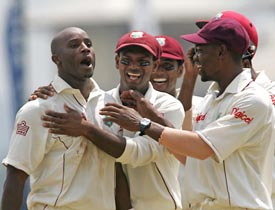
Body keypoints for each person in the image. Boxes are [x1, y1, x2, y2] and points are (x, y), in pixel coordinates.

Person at [99, 18, 275, 210]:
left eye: (200, 50)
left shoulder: (252, 99)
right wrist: (155, 119)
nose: (196, 58)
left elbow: (201, 147)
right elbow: (187, 155)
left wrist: (143, 124)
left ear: (221, 52)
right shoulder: (211, 99)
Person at [36, 30, 185, 210]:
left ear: (155, 66)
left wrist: (87, 128)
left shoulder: (168, 106)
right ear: (117, 62)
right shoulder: (99, 102)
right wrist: (49, 94)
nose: (134, 67)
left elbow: (139, 153)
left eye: (143, 62)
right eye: (126, 61)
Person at [1, 27, 132, 210]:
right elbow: (15, 178)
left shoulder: (111, 104)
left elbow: (118, 174)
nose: (85, 48)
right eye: (74, 45)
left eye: (88, 44)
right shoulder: (37, 110)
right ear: (57, 59)